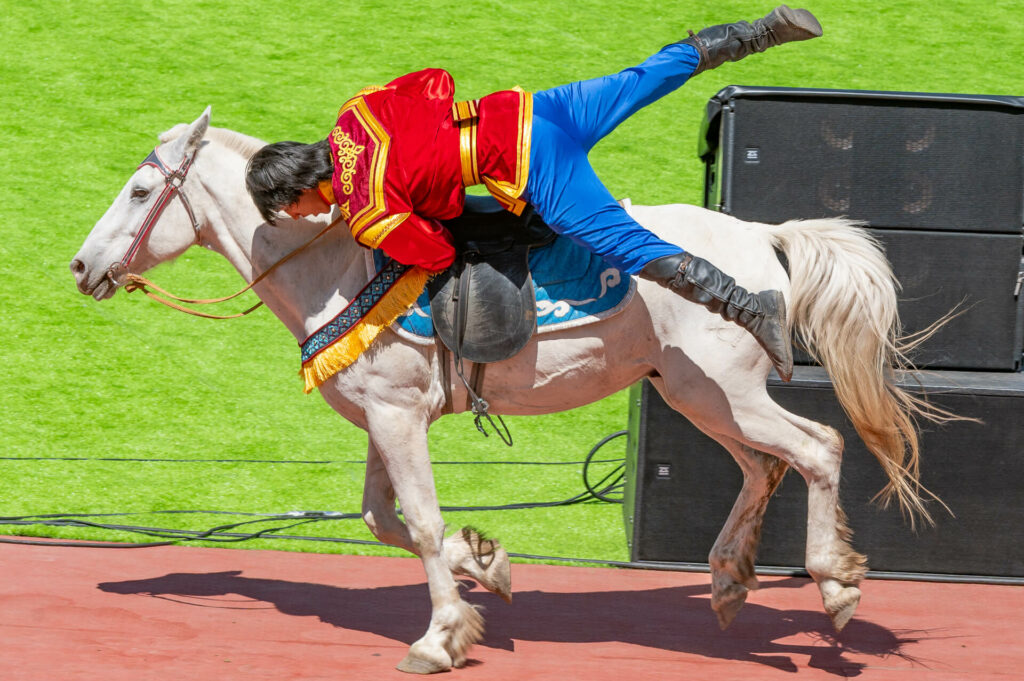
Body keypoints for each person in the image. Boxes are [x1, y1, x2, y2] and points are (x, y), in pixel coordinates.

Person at [246, 6, 824, 381]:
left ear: (299, 188)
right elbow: (436, 82)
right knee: (640, 79)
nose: (302, 217)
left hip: (531, 166)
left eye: (290, 208)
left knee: (627, 247)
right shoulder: (357, 110)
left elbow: (439, 249)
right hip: (530, 109)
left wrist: (429, 199)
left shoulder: (370, 212)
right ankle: (759, 31)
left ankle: (751, 307)